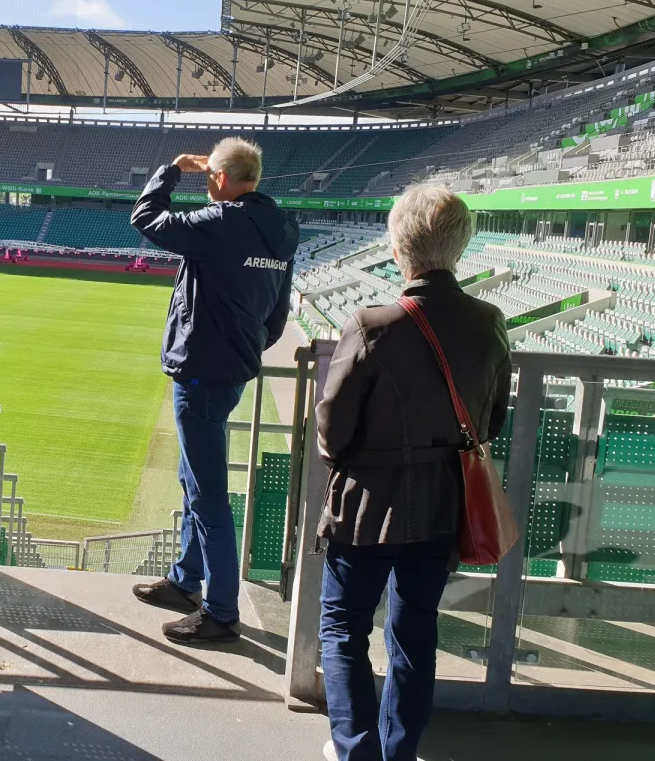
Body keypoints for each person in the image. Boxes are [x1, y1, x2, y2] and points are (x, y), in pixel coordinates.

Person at [315, 185, 512, 761]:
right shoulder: (489, 320)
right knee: (414, 631)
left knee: (343, 629)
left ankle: (356, 750)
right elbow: (492, 420)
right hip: (444, 504)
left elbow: (332, 427)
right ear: (460, 246)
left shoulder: (372, 324)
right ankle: (399, 753)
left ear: (399, 249)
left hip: (367, 505)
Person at [129, 137, 299, 645]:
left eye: (209, 179)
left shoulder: (219, 222)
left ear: (221, 179)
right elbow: (278, 312)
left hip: (202, 371)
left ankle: (222, 612)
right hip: (232, 371)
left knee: (207, 495)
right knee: (192, 478)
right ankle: (185, 581)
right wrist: (246, 347)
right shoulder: (282, 229)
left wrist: (172, 171)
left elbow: (146, 218)